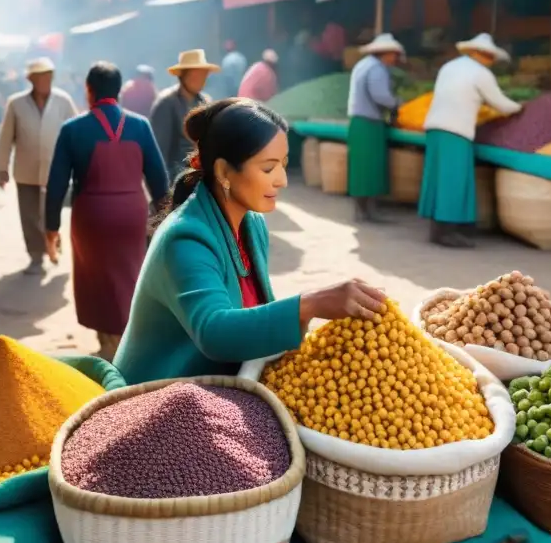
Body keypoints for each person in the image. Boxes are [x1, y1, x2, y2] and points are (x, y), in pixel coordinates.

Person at [113, 98, 387, 385]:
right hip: (158, 396)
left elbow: (252, 315)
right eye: (268, 168)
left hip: (219, 385)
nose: (282, 180)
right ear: (224, 172)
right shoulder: (185, 237)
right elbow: (214, 332)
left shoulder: (252, 223)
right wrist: (310, 304)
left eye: (284, 165)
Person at [45, 62, 170, 360]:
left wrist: (51, 229)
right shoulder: (140, 126)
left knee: (97, 279)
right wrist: (162, 221)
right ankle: (131, 339)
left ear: (89, 91)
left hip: (92, 217)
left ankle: (110, 344)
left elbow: (56, 186)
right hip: (132, 214)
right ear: (119, 90)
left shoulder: (73, 129)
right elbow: (159, 182)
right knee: (130, 275)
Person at [421, 34, 522, 249]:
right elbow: (500, 103)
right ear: (483, 54)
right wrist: (521, 108)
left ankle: (437, 229)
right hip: (456, 130)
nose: (491, 61)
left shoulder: (449, 66)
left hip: (434, 128)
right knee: (453, 180)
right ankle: (446, 233)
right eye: (490, 57)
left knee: (438, 178)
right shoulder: (481, 73)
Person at [0, 57, 77, 275]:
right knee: (30, 216)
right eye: (40, 76)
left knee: (52, 214)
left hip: (56, 171)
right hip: (26, 171)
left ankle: (54, 246)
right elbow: (5, 138)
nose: (45, 80)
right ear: (31, 79)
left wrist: (80, 166)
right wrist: (2, 168)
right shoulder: (16, 103)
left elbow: (75, 135)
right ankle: (35, 255)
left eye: (48, 76)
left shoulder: (63, 101)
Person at [347, 33, 403, 223]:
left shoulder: (363, 64)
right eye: (393, 54)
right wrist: (397, 103)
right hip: (369, 123)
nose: (395, 58)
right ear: (384, 53)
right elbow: (380, 96)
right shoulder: (377, 68)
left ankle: (361, 209)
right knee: (370, 168)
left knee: (360, 168)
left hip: (358, 121)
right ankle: (367, 211)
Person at [151, 49, 215, 183]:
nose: (201, 79)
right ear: (184, 75)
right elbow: (159, 152)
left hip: (201, 178)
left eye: (204, 75)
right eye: (196, 74)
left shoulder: (206, 102)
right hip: (176, 179)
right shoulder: (166, 103)